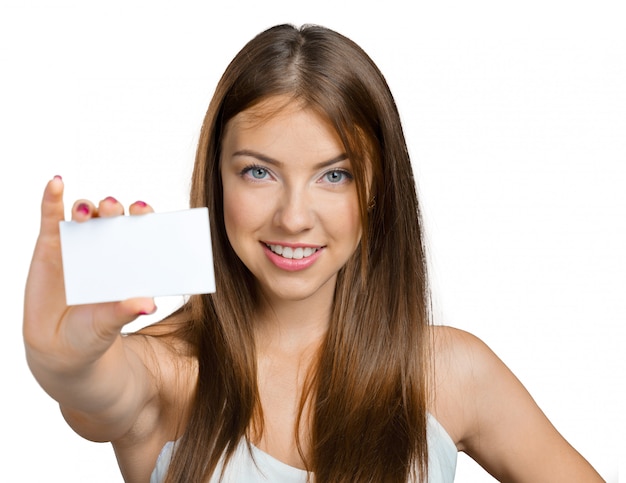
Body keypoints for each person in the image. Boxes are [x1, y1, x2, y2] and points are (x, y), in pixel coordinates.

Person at [24, 24, 604, 483]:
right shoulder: (168, 372)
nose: (295, 217)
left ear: (376, 189)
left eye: (334, 175)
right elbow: (95, 389)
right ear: (216, 180)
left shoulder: (450, 373)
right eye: (258, 172)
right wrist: (62, 362)